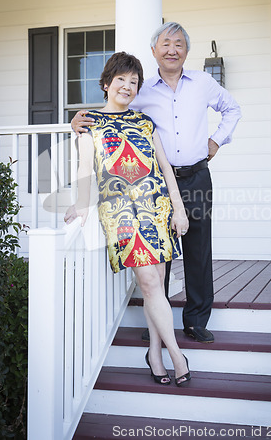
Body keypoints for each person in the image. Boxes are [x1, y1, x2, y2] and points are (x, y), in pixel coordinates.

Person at [71, 22, 241, 343]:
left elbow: (232, 108)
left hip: (196, 175)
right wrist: (80, 121)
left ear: (186, 51)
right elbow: (114, 115)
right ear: (154, 51)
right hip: (156, 184)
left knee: (198, 247)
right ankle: (161, 326)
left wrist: (217, 140)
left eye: (178, 44)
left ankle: (195, 320)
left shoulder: (203, 82)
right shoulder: (142, 89)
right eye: (165, 44)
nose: (172, 50)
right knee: (158, 251)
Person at [64, 51, 191, 386]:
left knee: (155, 287)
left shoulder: (145, 122)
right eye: (121, 79)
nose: (127, 86)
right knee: (150, 283)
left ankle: (154, 352)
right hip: (120, 213)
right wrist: (80, 204)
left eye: (133, 81)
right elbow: (84, 170)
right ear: (106, 84)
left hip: (156, 207)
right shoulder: (89, 123)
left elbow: (165, 168)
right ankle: (177, 355)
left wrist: (178, 209)